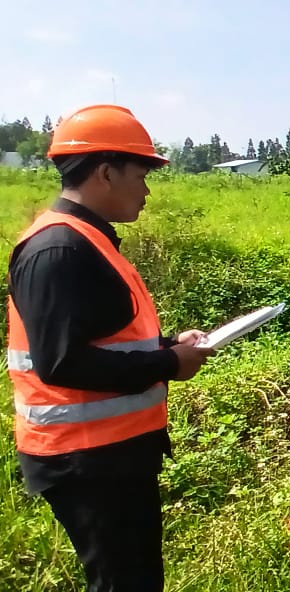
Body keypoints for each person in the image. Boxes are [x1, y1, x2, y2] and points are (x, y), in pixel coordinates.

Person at [6, 104, 213, 591]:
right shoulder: (58, 249)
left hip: (111, 453)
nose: (146, 189)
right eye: (141, 175)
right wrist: (168, 363)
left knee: (135, 575)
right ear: (105, 172)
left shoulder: (89, 241)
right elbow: (61, 362)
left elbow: (103, 337)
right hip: (85, 459)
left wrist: (167, 344)